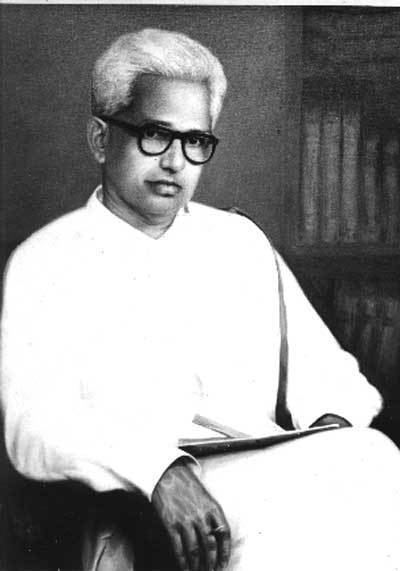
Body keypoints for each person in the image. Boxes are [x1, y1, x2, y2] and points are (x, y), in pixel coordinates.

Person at [1, 28, 400, 571]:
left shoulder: (239, 242)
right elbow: (33, 427)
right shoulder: (43, 260)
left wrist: (317, 446)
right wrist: (158, 469)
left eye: (196, 141)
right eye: (155, 134)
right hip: (138, 501)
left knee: (372, 461)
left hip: (267, 478)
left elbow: (338, 379)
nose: (175, 162)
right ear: (100, 138)